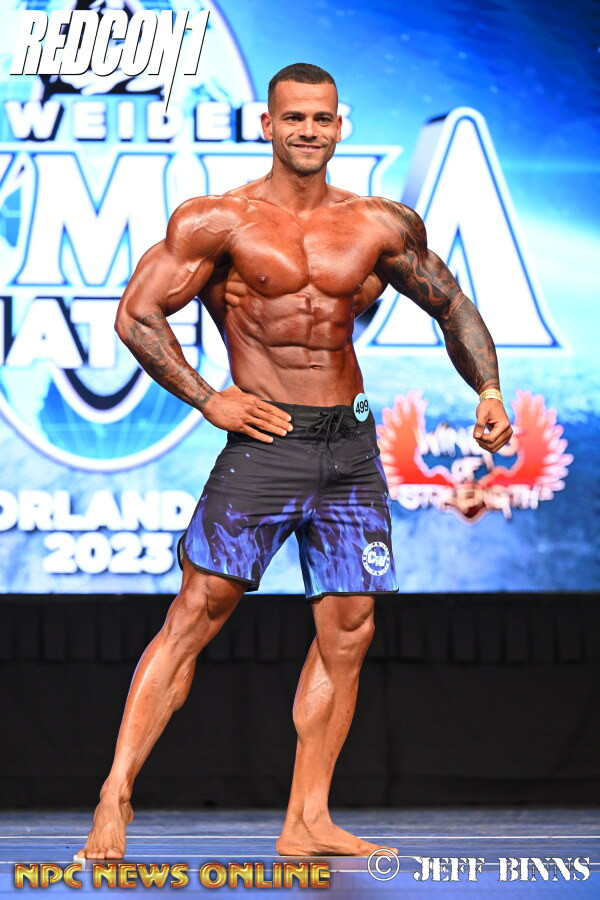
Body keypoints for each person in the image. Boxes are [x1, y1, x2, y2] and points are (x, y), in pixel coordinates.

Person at [77, 63, 512, 860]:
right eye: (294, 118)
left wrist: (487, 387)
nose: (308, 131)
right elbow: (137, 316)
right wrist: (208, 399)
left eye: (321, 118)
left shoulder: (378, 224)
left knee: (350, 629)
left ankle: (307, 818)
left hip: (349, 449)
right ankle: (116, 794)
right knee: (195, 614)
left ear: (339, 126)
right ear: (267, 125)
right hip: (265, 444)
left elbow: (451, 304)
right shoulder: (220, 220)